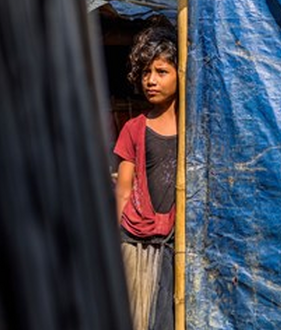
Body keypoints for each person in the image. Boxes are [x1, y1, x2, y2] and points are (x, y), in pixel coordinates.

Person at [113, 18, 178, 330]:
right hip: (137, 247)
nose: (151, 80)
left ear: (181, 74)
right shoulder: (133, 129)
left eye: (162, 72)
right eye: (146, 73)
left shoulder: (194, 130)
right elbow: (123, 191)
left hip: (176, 244)